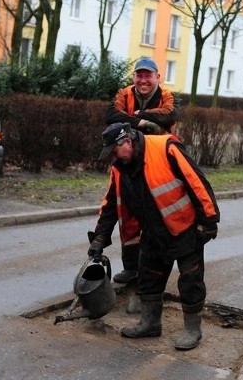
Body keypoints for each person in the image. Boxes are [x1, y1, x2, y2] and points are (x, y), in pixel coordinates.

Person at [87, 122, 220, 350]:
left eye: (113, 152)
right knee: (148, 277)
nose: (112, 159)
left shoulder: (165, 147)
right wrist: (99, 238)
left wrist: (208, 221)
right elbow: (110, 205)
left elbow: (197, 183)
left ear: (126, 142)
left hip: (184, 229)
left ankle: (192, 330)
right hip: (152, 232)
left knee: (190, 280)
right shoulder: (120, 168)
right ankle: (150, 323)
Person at [105, 57, 179, 284]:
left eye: (148, 75)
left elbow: (169, 116)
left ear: (158, 77)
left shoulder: (167, 96)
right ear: (134, 77)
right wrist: (145, 124)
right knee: (125, 213)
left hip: (159, 161)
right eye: (139, 75)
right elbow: (111, 116)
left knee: (156, 216)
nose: (143, 80)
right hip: (128, 159)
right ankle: (130, 268)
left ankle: (152, 271)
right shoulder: (124, 94)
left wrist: (137, 115)